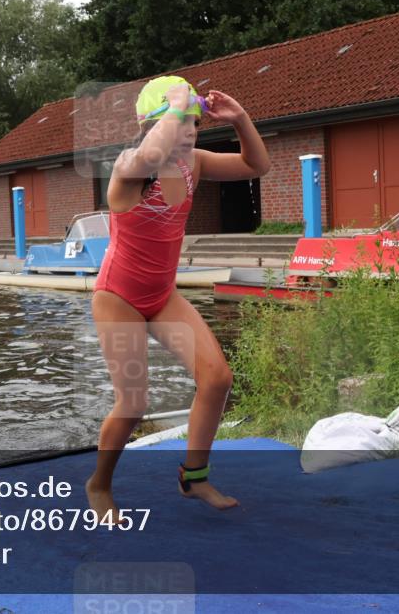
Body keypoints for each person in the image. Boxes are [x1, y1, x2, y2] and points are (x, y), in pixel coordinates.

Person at [88, 76, 270, 518]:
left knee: (217, 379)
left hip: (162, 296)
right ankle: (100, 486)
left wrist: (241, 119)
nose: (189, 128)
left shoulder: (196, 162)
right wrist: (174, 107)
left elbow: (256, 167)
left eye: (193, 120)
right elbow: (152, 153)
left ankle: (194, 477)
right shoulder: (128, 171)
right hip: (119, 298)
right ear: (152, 123)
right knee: (133, 404)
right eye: (180, 120)